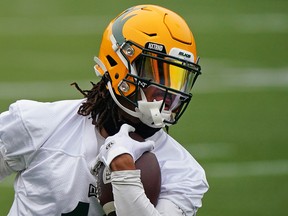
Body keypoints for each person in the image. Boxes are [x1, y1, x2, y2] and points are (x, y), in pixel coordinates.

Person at [0, 4, 209, 216]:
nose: (170, 92)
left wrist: (125, 175)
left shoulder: (185, 173)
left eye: (178, 79)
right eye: (155, 74)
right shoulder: (38, 123)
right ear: (119, 63)